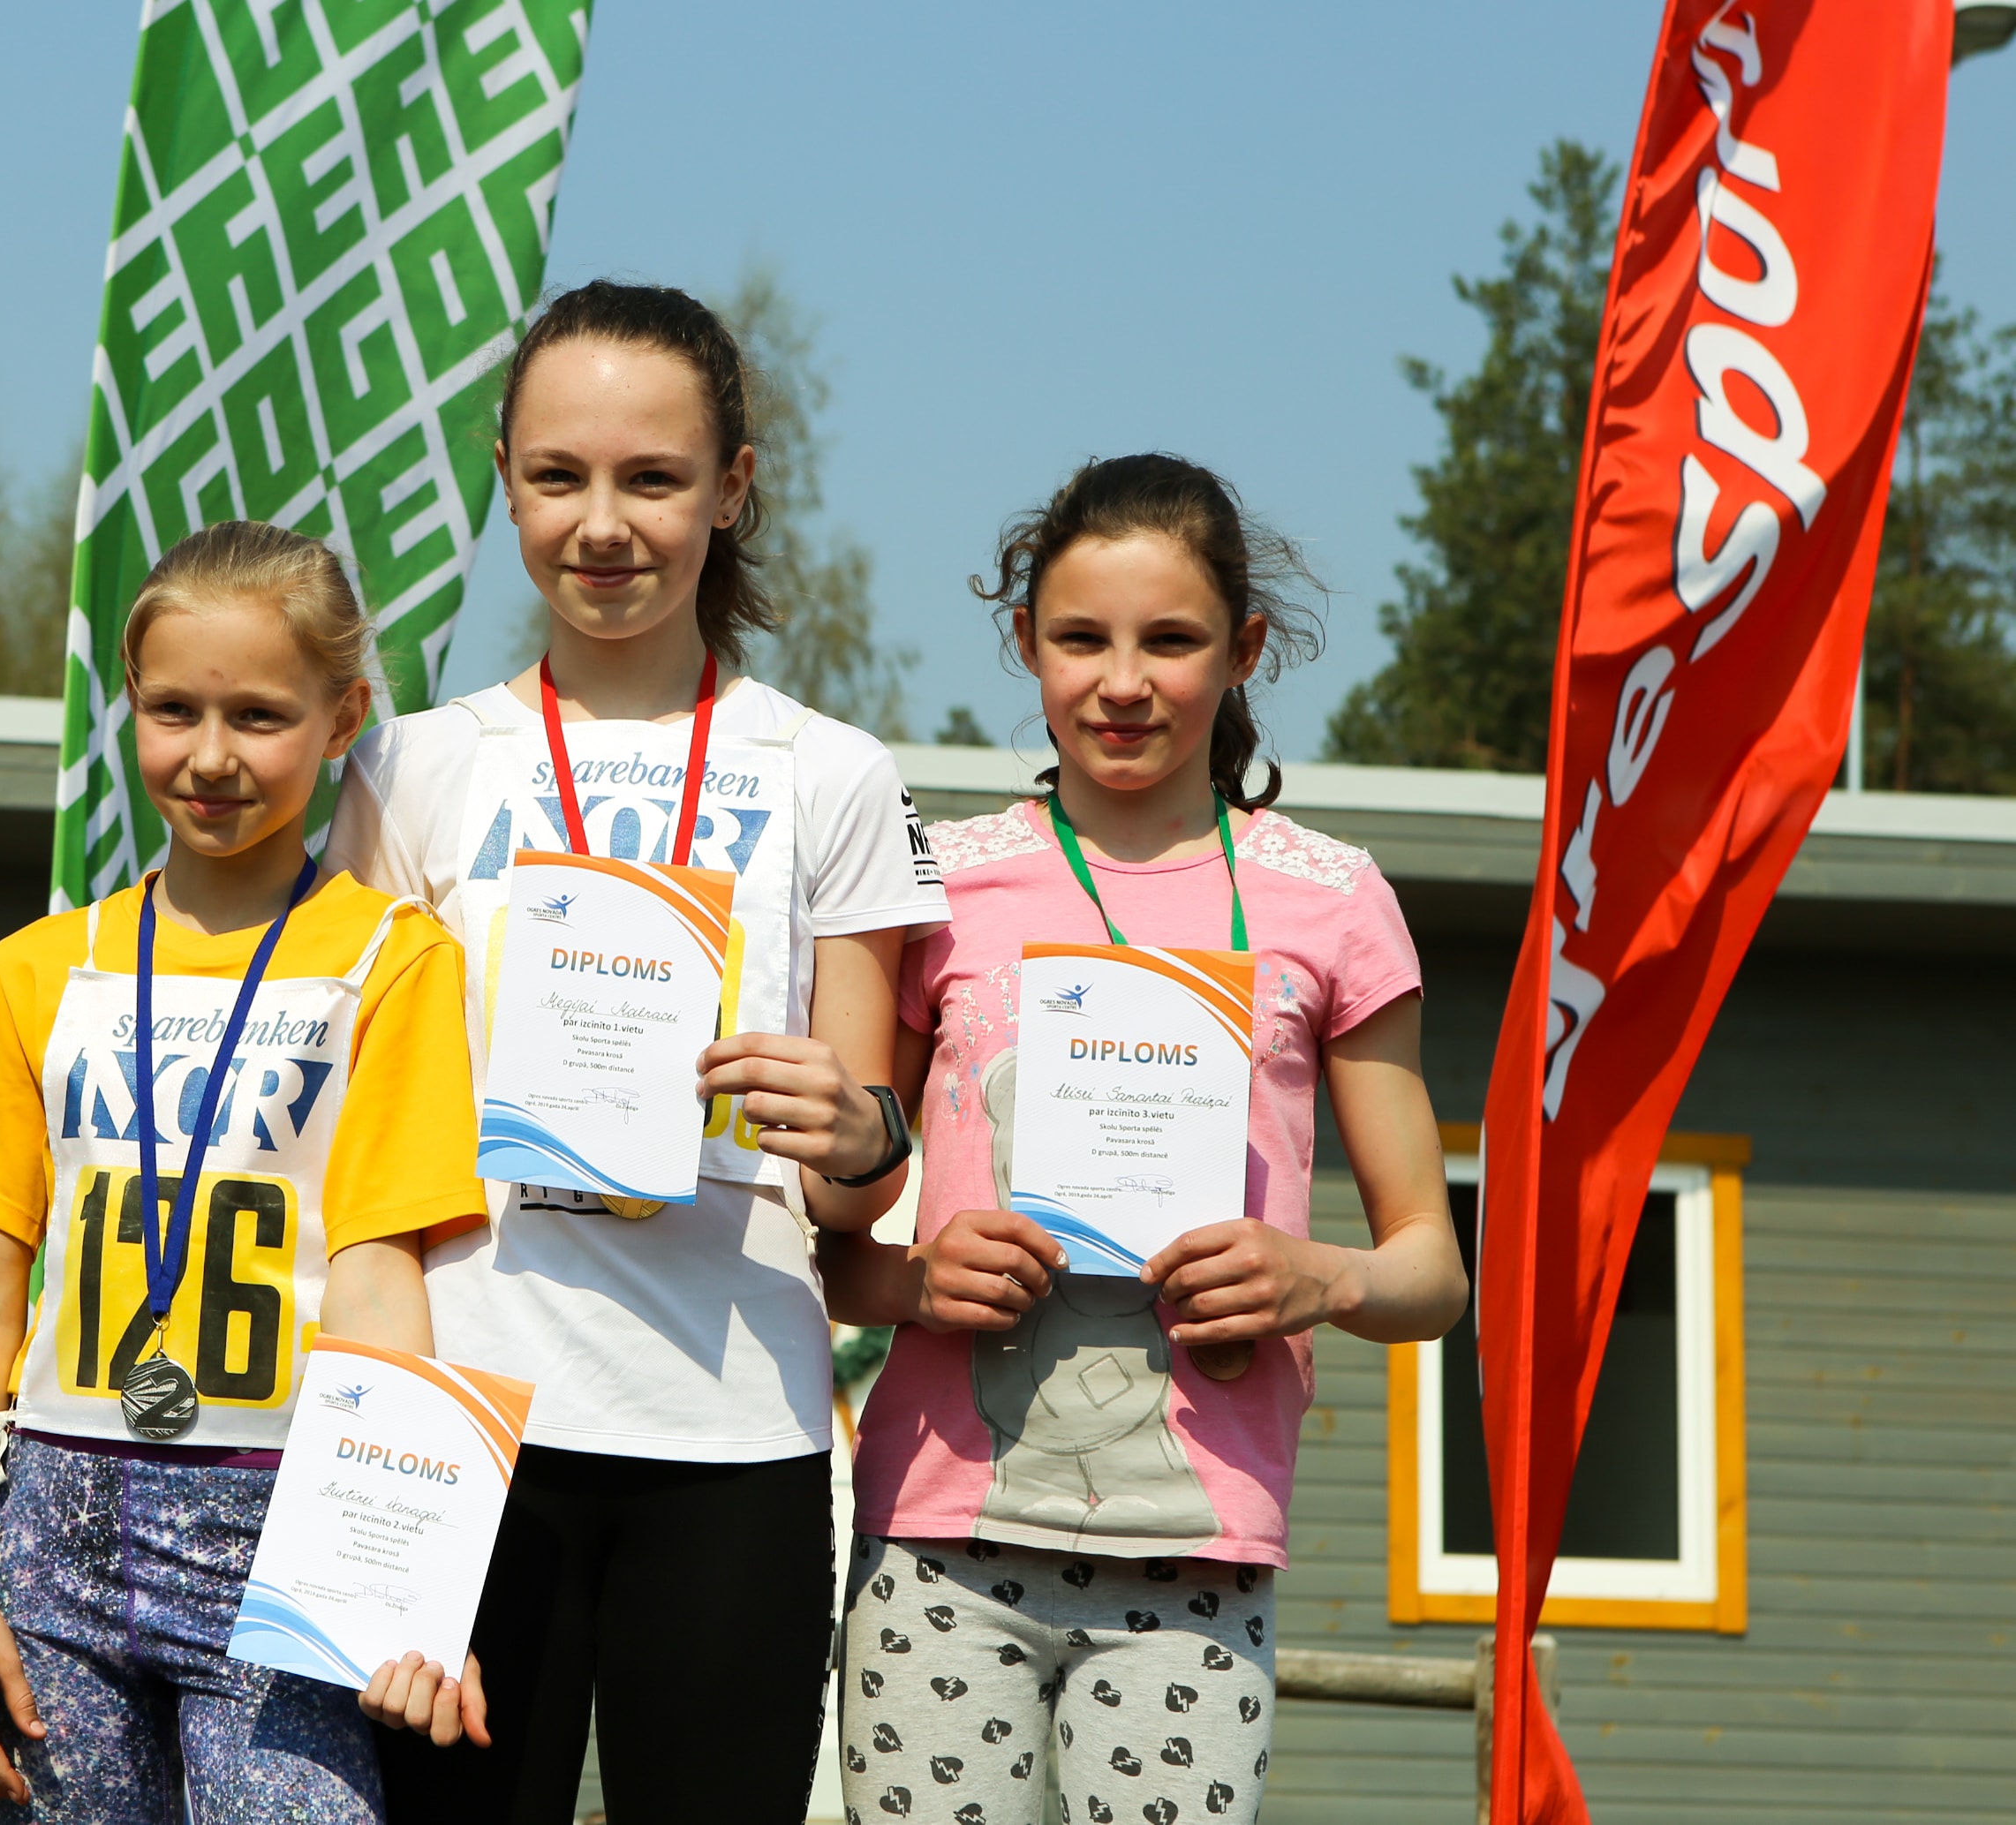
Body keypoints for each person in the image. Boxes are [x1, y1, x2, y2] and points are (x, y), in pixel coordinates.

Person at [328, 278, 949, 1825]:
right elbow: (354, 1145)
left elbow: (863, 1183)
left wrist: (857, 1131)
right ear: (505, 480)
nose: (602, 524)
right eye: (559, 476)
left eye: (653, 479)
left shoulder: (832, 773)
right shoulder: (411, 767)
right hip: (468, 1430)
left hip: (733, 1431)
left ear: (732, 488)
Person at [820, 454, 1468, 1825]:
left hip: (1200, 1557)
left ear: (1244, 649)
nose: (1123, 682)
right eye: (1081, 638)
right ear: (1025, 642)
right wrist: (916, 1280)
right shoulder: (934, 883)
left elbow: (1432, 1272)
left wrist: (1321, 1276)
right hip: (937, 1542)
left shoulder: (1335, 899)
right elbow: (825, 1240)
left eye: (1171, 640)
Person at [0, 522, 487, 1822]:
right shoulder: (37, 969)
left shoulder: (393, 961)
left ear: (344, 720)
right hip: (54, 1533)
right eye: (174, 710)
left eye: (259, 716)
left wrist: (409, 1583)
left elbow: (381, 1283)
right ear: (131, 706)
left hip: (285, 1527)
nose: (211, 757)